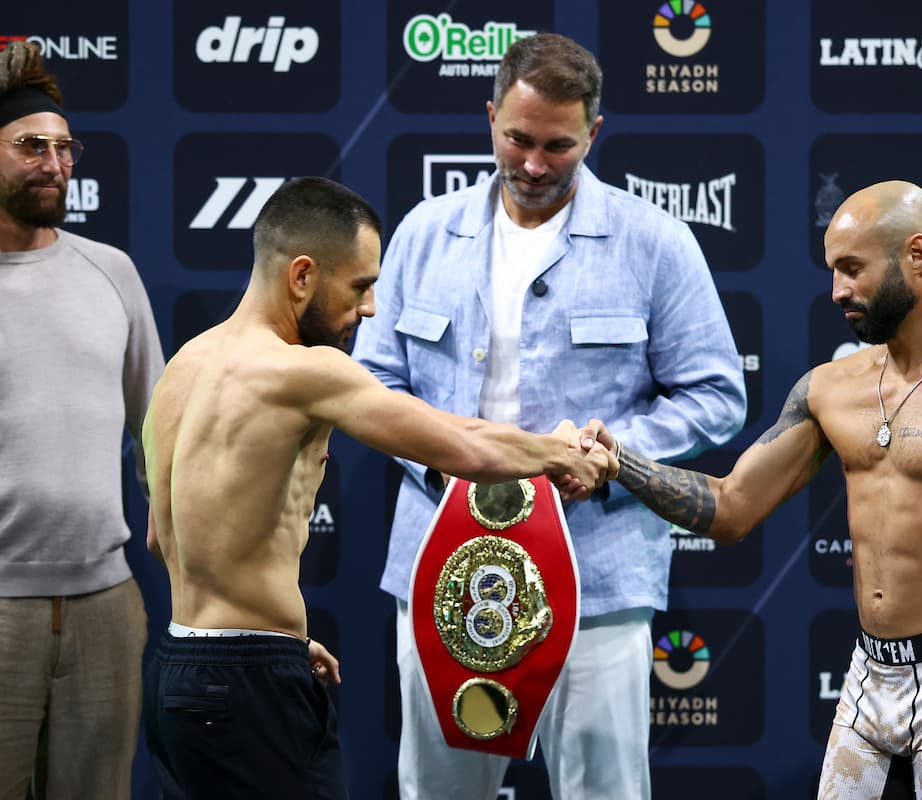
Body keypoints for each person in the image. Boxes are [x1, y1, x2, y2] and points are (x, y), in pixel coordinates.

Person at [583, 181, 922, 799]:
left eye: (852, 269)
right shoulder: (830, 389)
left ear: (917, 256)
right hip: (867, 673)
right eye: (833, 271)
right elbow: (732, 507)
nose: (837, 291)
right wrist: (620, 465)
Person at [353, 32, 746, 800]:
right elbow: (369, 382)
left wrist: (614, 455)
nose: (533, 165)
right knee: (438, 790)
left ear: (594, 133)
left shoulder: (655, 242)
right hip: (441, 568)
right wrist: (444, 457)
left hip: (597, 570)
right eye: (518, 140)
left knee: (603, 790)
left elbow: (717, 394)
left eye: (558, 147)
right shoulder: (423, 235)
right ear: (490, 115)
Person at [140, 176, 613, 798]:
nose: (367, 309)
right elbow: (461, 443)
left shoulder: (184, 366)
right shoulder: (305, 371)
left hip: (178, 675)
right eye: (360, 286)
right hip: (248, 690)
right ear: (302, 276)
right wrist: (558, 452)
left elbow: (160, 537)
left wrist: (271, 639)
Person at [0, 41, 165, 800]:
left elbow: (158, 437)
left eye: (65, 148)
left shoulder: (113, 272)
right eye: (32, 146)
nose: (55, 164)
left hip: (107, 606)